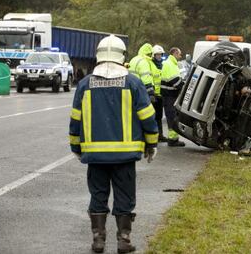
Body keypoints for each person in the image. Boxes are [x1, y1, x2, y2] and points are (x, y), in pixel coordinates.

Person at [69, 35, 158, 254]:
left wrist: (76, 147)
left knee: (98, 195)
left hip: (95, 157)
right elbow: (148, 117)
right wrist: (152, 143)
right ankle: (124, 240)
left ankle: (98, 240)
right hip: (125, 157)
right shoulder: (133, 83)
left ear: (98, 56)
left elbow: (75, 120)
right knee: (125, 197)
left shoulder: (85, 84)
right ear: (122, 56)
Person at [161, 47, 185, 147]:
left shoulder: (171, 63)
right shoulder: (170, 64)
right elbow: (174, 80)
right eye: (180, 54)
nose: (181, 56)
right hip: (169, 95)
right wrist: (184, 88)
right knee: (172, 117)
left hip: (169, 95)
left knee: (172, 116)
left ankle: (173, 138)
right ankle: (172, 140)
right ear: (175, 53)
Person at [151, 44, 168, 142]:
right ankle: (153, 136)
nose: (159, 57)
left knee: (159, 117)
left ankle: (160, 135)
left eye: (160, 55)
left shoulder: (163, 65)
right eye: (157, 55)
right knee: (153, 117)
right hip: (153, 95)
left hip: (161, 95)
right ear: (153, 55)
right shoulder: (151, 65)